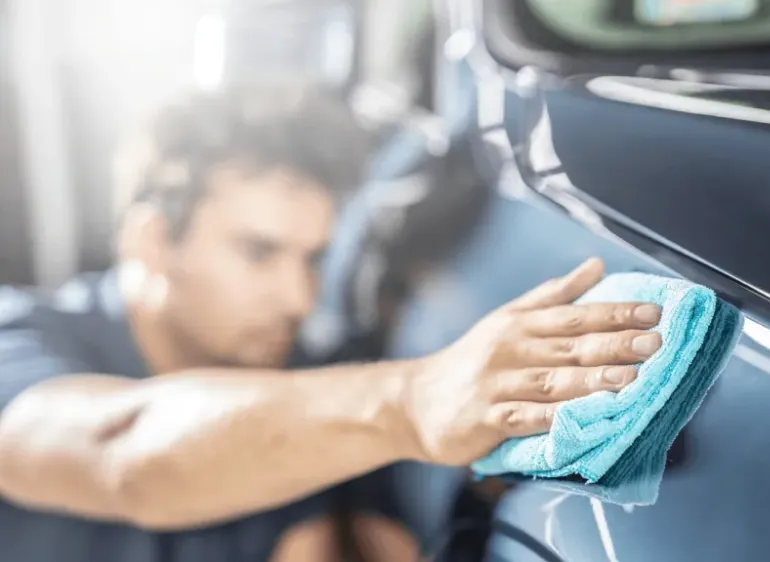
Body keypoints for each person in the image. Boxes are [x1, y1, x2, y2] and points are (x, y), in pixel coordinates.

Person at [0, 82, 664, 562]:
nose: (299, 296)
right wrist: (413, 400)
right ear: (150, 240)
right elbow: (121, 455)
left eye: (314, 258)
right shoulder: (18, 345)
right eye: (258, 252)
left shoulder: (309, 388)